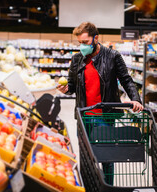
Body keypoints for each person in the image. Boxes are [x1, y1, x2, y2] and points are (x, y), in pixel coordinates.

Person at [57, 22, 143, 184]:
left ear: (96, 38)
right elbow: (72, 86)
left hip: (105, 115)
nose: (82, 46)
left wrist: (135, 99)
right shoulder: (76, 59)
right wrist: (66, 89)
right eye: (80, 43)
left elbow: (126, 80)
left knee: (107, 156)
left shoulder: (112, 56)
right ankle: (89, 186)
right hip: (84, 116)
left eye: (85, 42)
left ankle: (108, 186)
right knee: (86, 155)